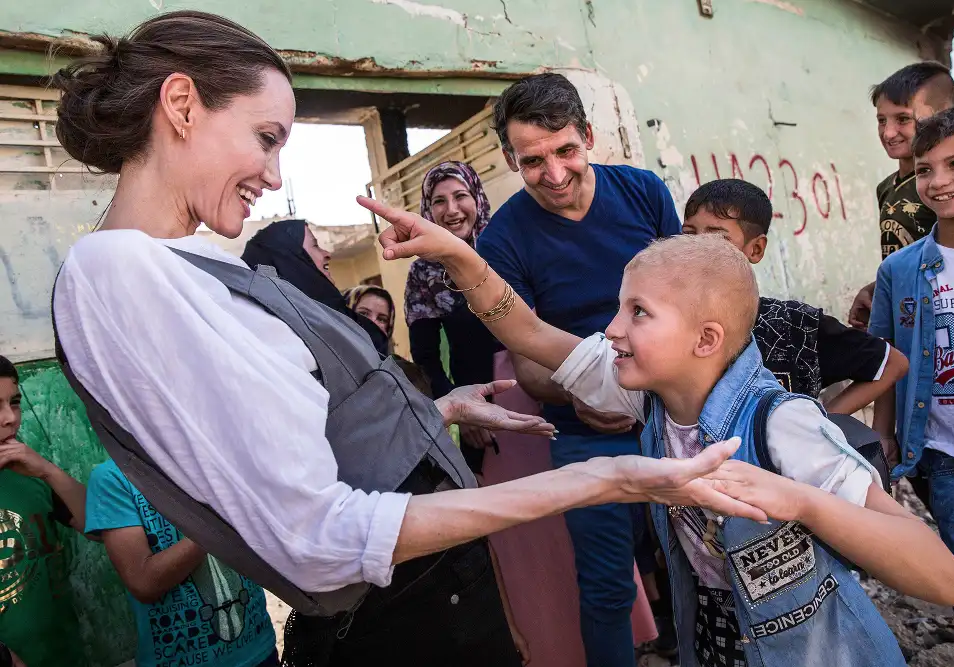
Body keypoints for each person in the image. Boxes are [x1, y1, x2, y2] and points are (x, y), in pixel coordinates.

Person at [50, 12, 763, 667]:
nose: (273, 175)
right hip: (402, 612)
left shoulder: (191, 265)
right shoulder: (115, 271)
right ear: (181, 106)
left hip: (434, 596)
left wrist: (439, 410)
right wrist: (599, 477)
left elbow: (316, 434)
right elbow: (318, 535)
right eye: (266, 138)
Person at [360, 196, 954, 667]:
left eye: (638, 312)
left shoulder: (784, 424)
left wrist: (799, 499)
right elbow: (531, 335)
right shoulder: (643, 393)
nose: (613, 330)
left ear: (705, 340)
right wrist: (459, 256)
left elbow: (943, 577)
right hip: (714, 632)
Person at [476, 72, 682, 667]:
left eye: (566, 150)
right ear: (511, 160)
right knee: (607, 588)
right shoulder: (504, 239)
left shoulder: (643, 193)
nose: (556, 174)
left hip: (677, 415)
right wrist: (582, 400)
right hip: (582, 433)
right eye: (533, 160)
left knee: (708, 566)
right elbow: (529, 365)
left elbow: (692, 302)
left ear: (588, 136)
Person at [870, 103, 954, 666]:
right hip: (953, 462)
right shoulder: (899, 271)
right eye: (925, 169)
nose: (939, 181)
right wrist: (884, 435)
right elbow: (884, 362)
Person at [681, 179, 909, 413]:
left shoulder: (793, 325)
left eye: (718, 238)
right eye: (689, 234)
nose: (698, 248)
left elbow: (893, 364)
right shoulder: (669, 320)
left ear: (756, 249)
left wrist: (820, 426)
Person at [86, 458, 279, 667]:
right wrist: (220, 521)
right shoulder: (113, 477)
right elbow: (144, 582)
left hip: (259, 651)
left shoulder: (219, 456)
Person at [404, 161, 504, 472]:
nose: (452, 210)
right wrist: (464, 410)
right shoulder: (423, 273)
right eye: (438, 201)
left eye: (460, 196)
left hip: (535, 395)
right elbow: (426, 358)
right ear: (427, 210)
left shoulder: (504, 251)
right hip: (478, 413)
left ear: (477, 198)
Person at [849, 62, 954, 329]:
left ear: (942, 115)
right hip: (905, 311)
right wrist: (878, 288)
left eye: (903, 119)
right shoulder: (887, 187)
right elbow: (903, 255)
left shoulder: (949, 186)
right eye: (881, 120)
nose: (888, 132)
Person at [0, 355, 88, 667]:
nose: (10, 418)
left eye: (15, 402)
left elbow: (99, 527)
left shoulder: (26, 474)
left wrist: (49, 471)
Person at [241, 219, 391, 355]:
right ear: (294, 262)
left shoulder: (339, 322)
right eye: (315, 245)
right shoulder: (286, 337)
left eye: (383, 319)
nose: (326, 254)